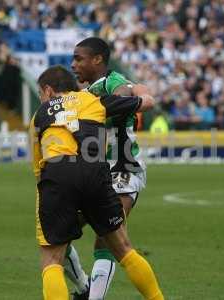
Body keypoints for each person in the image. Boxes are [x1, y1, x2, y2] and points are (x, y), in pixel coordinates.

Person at [30, 65, 164, 300]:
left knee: (51, 260)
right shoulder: (94, 100)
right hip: (96, 173)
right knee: (123, 248)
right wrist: (137, 89)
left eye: (41, 94)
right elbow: (146, 102)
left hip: (58, 174)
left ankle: (82, 287)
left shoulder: (39, 115)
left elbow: (38, 165)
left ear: (48, 91)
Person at [68, 37, 153, 299]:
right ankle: (84, 287)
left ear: (97, 60)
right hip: (95, 174)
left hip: (123, 170)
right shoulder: (86, 92)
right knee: (59, 231)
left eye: (79, 59)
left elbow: (127, 92)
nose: (74, 65)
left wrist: (130, 98)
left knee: (107, 239)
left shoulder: (110, 82)